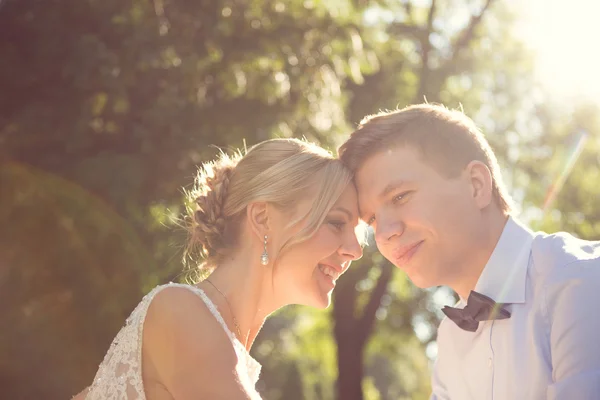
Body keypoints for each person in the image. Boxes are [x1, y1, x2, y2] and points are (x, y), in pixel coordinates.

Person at [338, 104, 600, 399]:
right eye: (372, 219)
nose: (384, 233)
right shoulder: (450, 340)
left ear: (476, 185)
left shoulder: (581, 281)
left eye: (400, 196)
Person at [73, 138, 363, 399]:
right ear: (263, 218)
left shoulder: (227, 353)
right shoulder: (178, 312)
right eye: (337, 222)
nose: (357, 250)